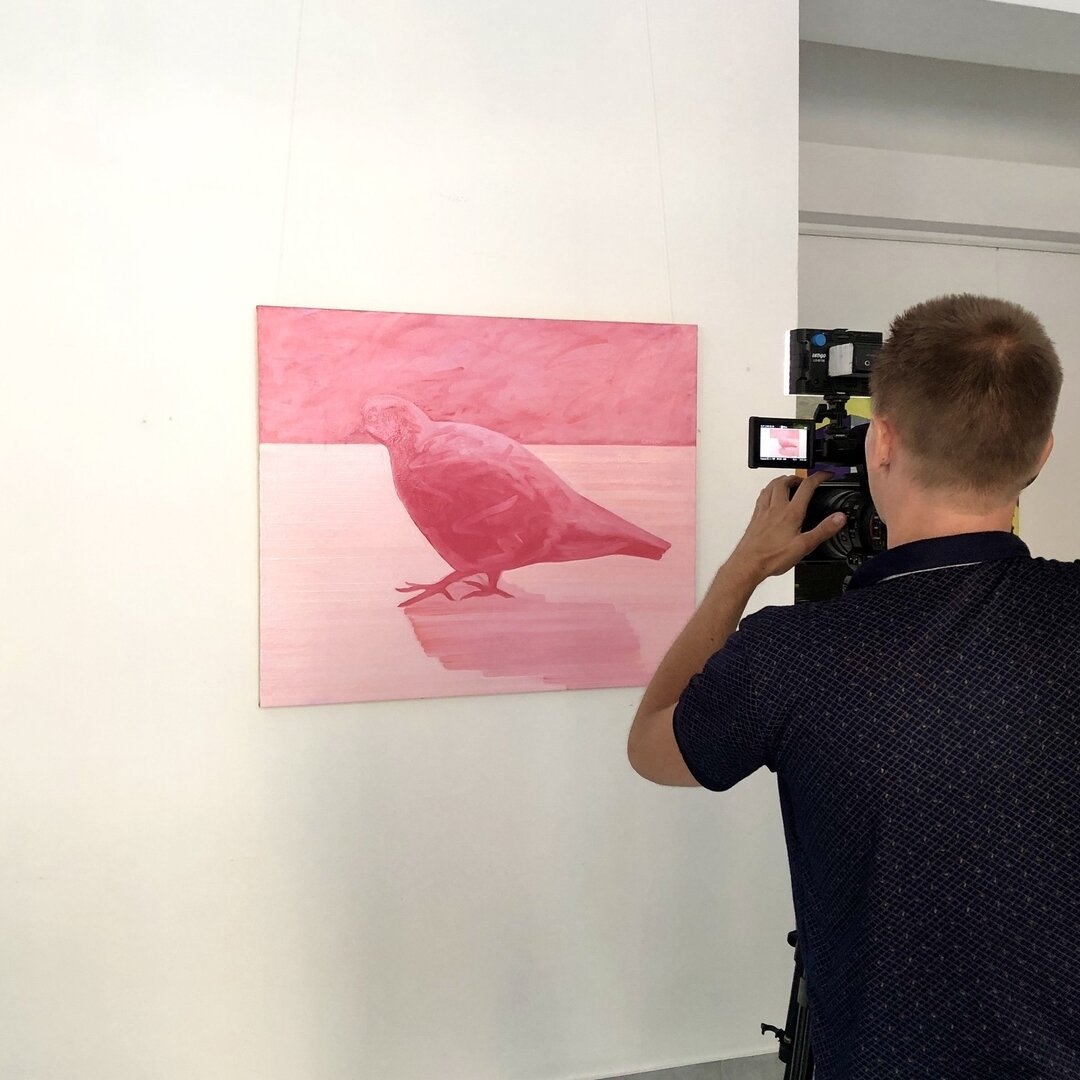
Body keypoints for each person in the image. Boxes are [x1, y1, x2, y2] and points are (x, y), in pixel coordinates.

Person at [627, 294, 1078, 1079]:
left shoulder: (792, 653)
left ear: (884, 441)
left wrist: (742, 570)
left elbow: (652, 744)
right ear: (1040, 453)